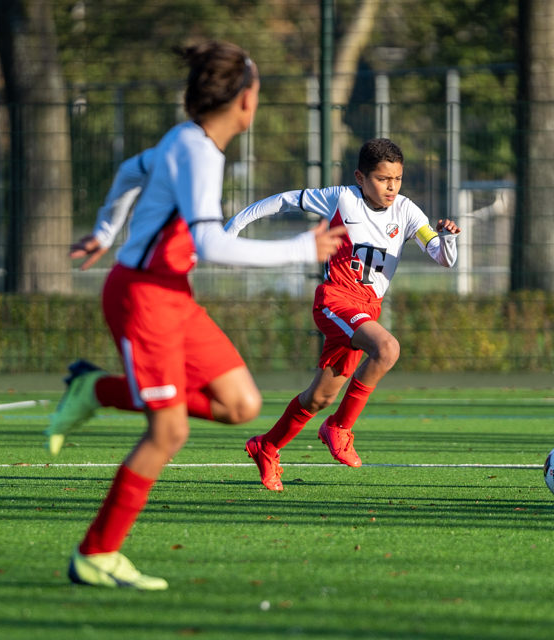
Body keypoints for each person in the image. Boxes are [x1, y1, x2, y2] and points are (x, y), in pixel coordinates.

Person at [56, 41, 344, 590]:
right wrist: (299, 251)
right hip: (142, 297)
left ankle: (95, 390)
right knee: (168, 431)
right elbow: (210, 240)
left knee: (241, 405)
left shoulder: (191, 142)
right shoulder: (198, 151)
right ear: (243, 100)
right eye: (256, 90)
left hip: (173, 297)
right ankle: (96, 553)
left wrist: (102, 230)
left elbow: (127, 170)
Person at [225, 138, 460, 491]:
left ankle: (266, 446)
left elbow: (444, 258)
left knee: (319, 397)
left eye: (397, 179)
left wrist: (448, 238)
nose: (391, 187)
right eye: (382, 179)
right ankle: (339, 428)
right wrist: (235, 227)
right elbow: (284, 200)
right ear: (361, 178)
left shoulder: (408, 212)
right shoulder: (341, 197)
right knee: (388, 348)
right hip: (335, 300)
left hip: (365, 310)